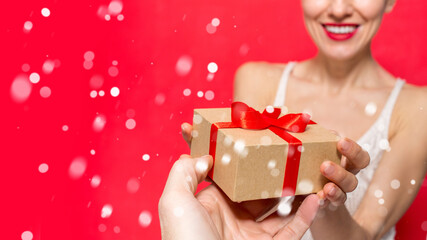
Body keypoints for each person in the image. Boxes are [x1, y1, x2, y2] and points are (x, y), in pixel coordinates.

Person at [160, 0, 427, 239]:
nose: (338, 9)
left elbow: (366, 236)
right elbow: (242, 205)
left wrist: (322, 202)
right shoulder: (257, 80)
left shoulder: (418, 107)